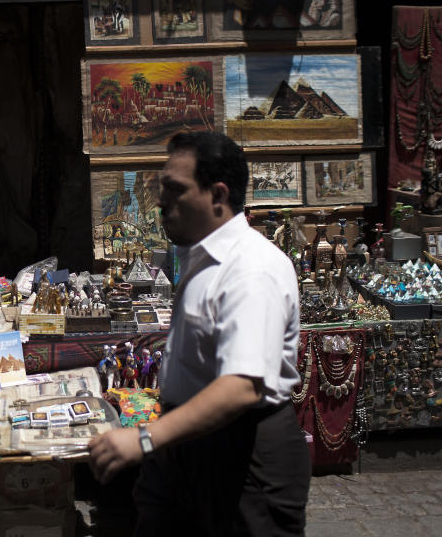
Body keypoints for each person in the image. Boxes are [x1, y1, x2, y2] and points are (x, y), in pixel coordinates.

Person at [88, 131, 310, 535]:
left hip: (242, 455)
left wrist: (145, 438)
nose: (160, 202)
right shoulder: (202, 255)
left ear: (218, 195)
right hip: (188, 443)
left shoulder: (251, 269)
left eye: (175, 189)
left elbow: (242, 386)